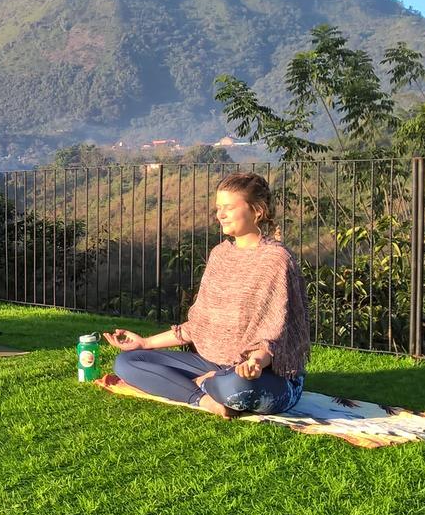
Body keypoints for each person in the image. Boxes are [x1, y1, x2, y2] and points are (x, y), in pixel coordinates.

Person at [108, 172, 309, 417]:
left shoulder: (276, 259)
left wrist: (255, 362)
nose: (220, 215)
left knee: (236, 387)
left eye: (228, 208)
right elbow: (200, 326)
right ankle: (205, 398)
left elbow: (275, 333)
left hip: (264, 375)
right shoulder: (220, 255)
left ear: (257, 210)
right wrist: (145, 343)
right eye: (218, 208)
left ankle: (204, 383)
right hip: (213, 362)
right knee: (127, 363)